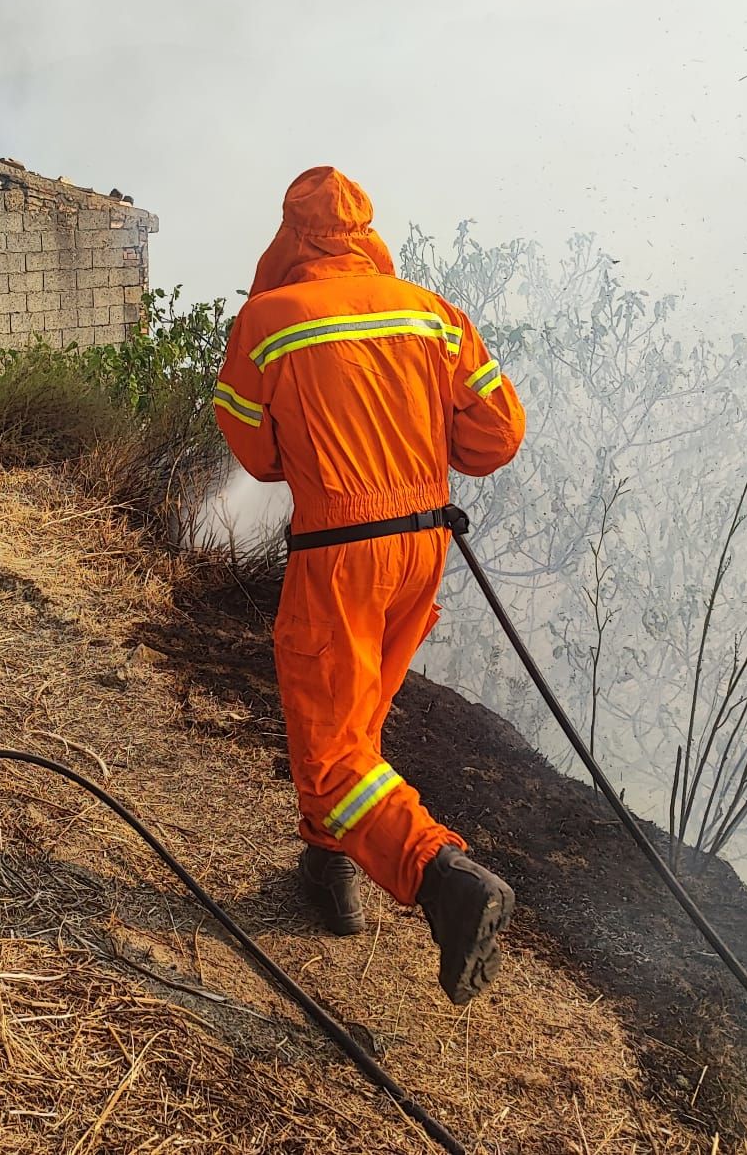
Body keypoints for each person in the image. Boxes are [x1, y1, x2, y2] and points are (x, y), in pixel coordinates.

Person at [212, 166, 527, 1004]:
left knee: (328, 755)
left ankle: (441, 876)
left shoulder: (267, 322)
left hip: (340, 552)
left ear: (290, 236)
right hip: (424, 546)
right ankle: (331, 868)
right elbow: (497, 437)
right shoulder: (432, 314)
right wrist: (416, 440)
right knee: (356, 722)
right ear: (365, 235)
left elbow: (258, 455)